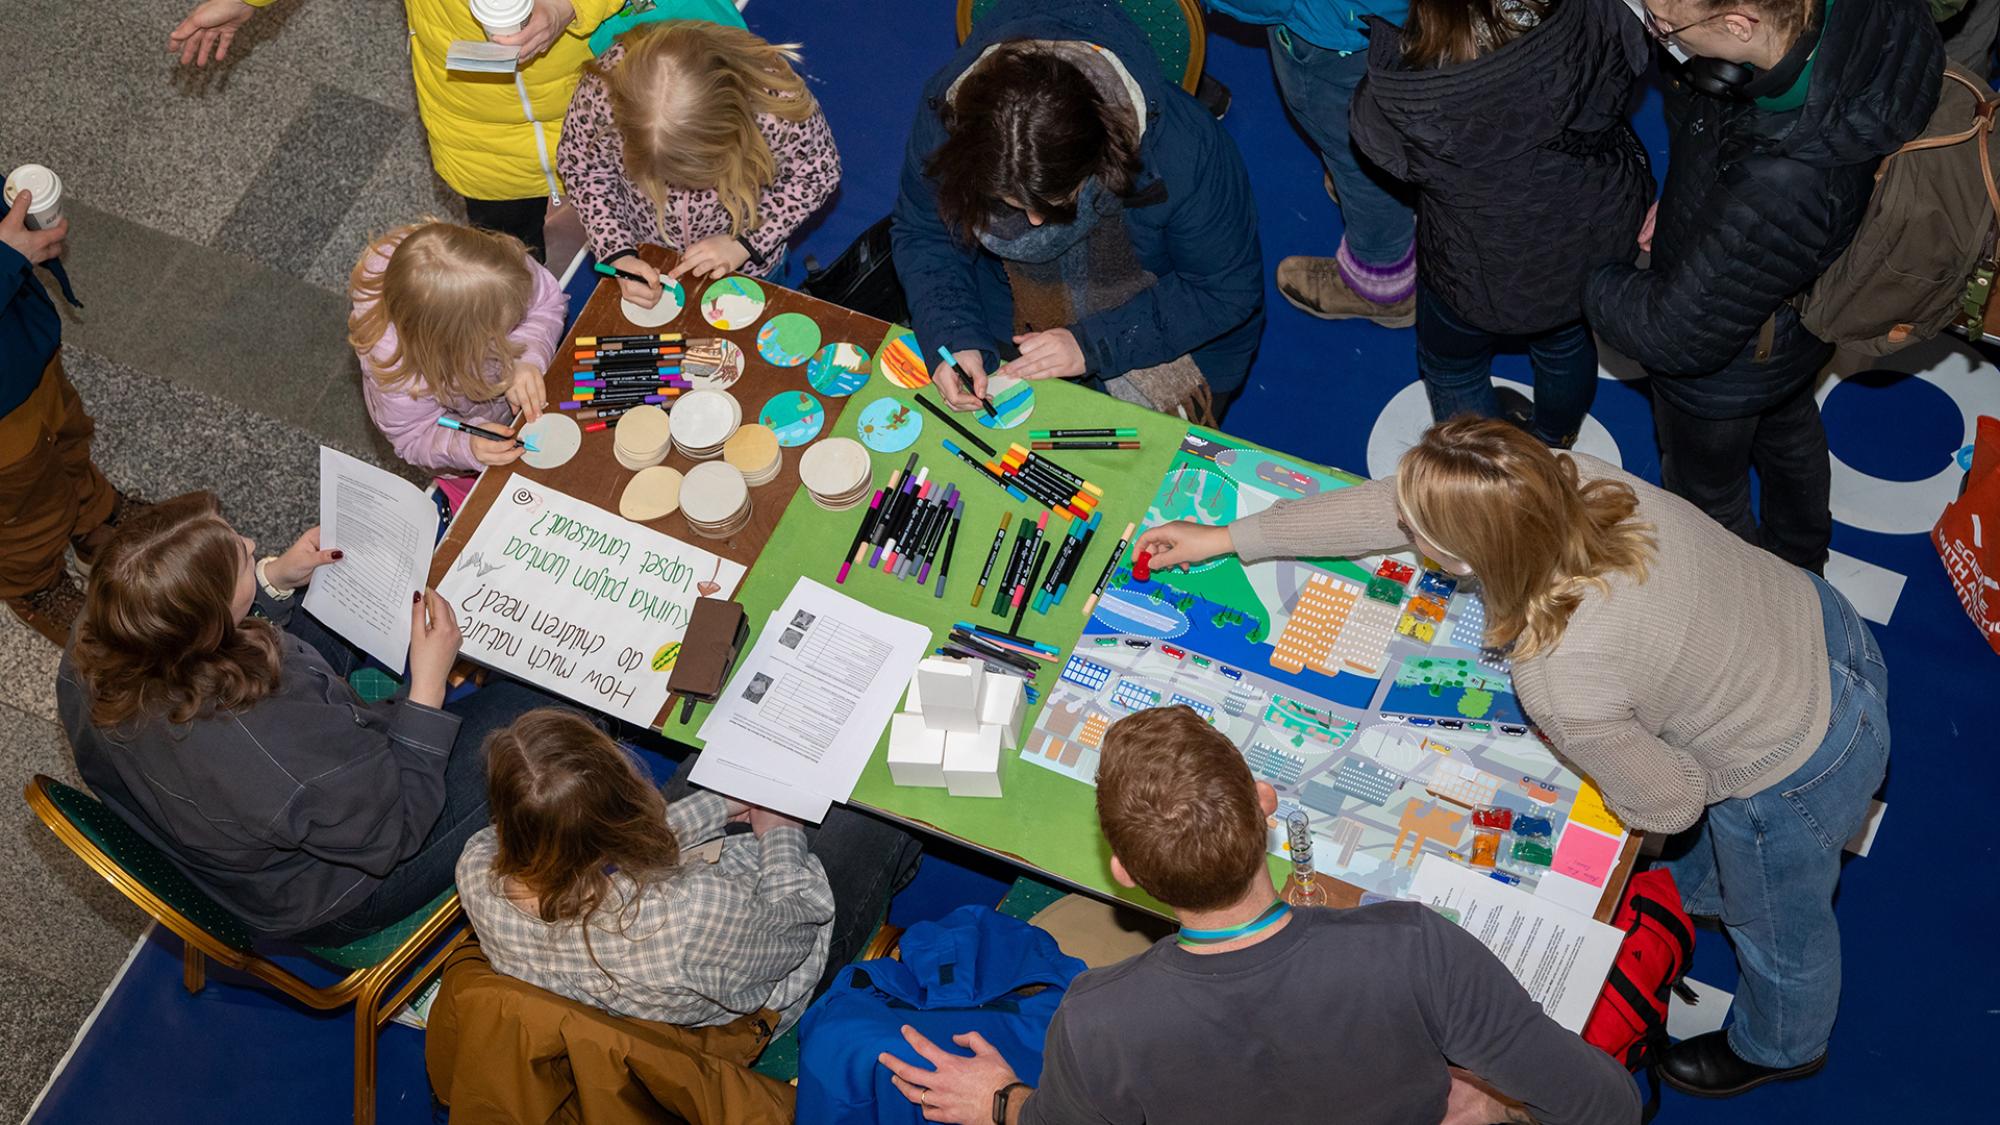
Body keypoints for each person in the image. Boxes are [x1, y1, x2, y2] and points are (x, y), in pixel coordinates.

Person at [1135, 418, 1890, 1098]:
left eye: (1420, 532)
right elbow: (1400, 505)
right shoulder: (1565, 472)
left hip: (1795, 761)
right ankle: (1699, 899)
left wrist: (1590, 746)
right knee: (1706, 870)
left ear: (1467, 558)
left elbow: (1676, 801)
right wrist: (1229, 538)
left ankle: (1783, 1043)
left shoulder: (1557, 674)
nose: (1401, 526)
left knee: (1777, 927)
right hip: (1825, 626)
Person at [876, 704, 1640, 1125]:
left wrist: (1003, 1104)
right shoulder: (1414, 948)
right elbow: (1608, 1105)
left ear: (1127, 873)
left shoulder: (1096, 1018)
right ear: (1267, 805)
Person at [56, 492, 560, 942]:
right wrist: (427, 686)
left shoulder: (105, 631)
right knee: (548, 711)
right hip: (348, 884)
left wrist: (269, 583)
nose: (253, 543)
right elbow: (396, 828)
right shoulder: (268, 743)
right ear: (205, 622)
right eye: (241, 558)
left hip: (266, 814)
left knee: (341, 586)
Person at [1584, 0, 1941, 573]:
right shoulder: (1864, 24)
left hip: (1733, 360)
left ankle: (1750, 597)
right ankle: (1803, 560)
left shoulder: (1781, 179)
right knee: (1789, 423)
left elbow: (1676, 334)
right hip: (1797, 322)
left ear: (1737, 24)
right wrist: (1689, 193)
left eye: (1665, 25)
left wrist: (1590, 273)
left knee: (1708, 495)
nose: (1658, 37)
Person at [892, 0, 1265, 423]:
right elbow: (924, 233)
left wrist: (1090, 346)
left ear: (1103, 156)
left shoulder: (1187, 150)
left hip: (1160, 327)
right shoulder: (947, 120)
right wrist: (954, 333)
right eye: (1009, 204)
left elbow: (1224, 291)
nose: (1032, 224)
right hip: (1006, 310)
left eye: (1053, 204)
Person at [1350, 0, 1653, 448]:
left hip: (1475, 273)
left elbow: (1372, 135)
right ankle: (1554, 439)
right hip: (1590, 237)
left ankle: (1489, 464)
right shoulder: (1597, 20)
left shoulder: (1407, 99)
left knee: (1452, 365)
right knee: (1565, 342)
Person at [458, 708, 844, 1032]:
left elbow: (576, 839)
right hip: (755, 993)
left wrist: (719, 805)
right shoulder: (688, 915)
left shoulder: (475, 866)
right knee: (859, 812)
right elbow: (796, 926)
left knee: (722, 763)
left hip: (664, 970)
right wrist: (781, 834)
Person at [170, 0, 637, 259]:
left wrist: (567, 6)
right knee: (517, 263)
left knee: (643, 227)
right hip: (476, 130)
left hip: (603, 110)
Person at [557, 20, 841, 305]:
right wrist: (617, 251)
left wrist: (745, 243)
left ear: (734, 125)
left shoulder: (775, 105)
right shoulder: (603, 90)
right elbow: (583, 169)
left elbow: (818, 173)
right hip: (648, 253)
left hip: (746, 266)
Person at [1209, 1, 1421, 328]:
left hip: (1338, 41)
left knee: (1360, 163)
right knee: (1391, 115)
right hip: (1404, 19)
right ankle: (1402, 178)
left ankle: (1384, 285)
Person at [1, 189, 142, 644]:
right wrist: (6, 260)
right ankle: (33, 583)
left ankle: (93, 518)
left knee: (67, 436)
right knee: (21, 502)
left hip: (21, 344)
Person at [349, 221, 566, 496]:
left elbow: (545, 301)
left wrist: (529, 357)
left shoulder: (498, 268)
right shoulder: (402, 381)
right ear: (456, 343)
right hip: (467, 459)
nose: (513, 323)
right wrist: (467, 446)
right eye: (499, 331)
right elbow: (414, 437)